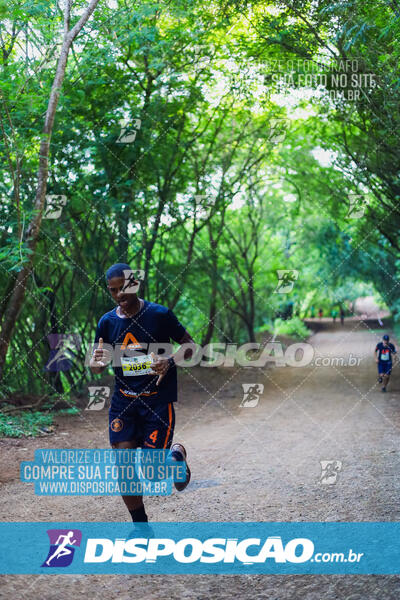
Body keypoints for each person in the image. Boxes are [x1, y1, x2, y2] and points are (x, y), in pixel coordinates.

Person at [90, 263, 194, 525]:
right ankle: (141, 529)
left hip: (156, 402)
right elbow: (96, 363)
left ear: (134, 285)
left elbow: (191, 347)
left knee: (153, 473)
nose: (118, 296)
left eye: (122, 289)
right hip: (123, 402)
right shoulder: (106, 322)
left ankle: (176, 457)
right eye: (112, 291)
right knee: (124, 468)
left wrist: (169, 361)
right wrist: (97, 362)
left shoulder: (159, 315)